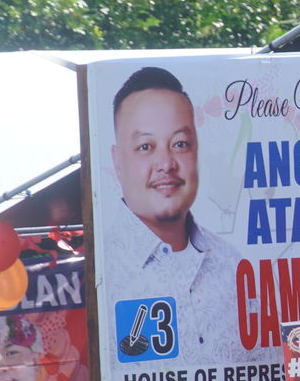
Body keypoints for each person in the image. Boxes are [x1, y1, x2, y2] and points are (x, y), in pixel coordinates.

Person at [107, 65, 258, 365]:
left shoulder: (233, 266)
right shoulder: (103, 273)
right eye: (146, 146)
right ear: (117, 161)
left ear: (196, 151)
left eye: (180, 144)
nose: (166, 163)